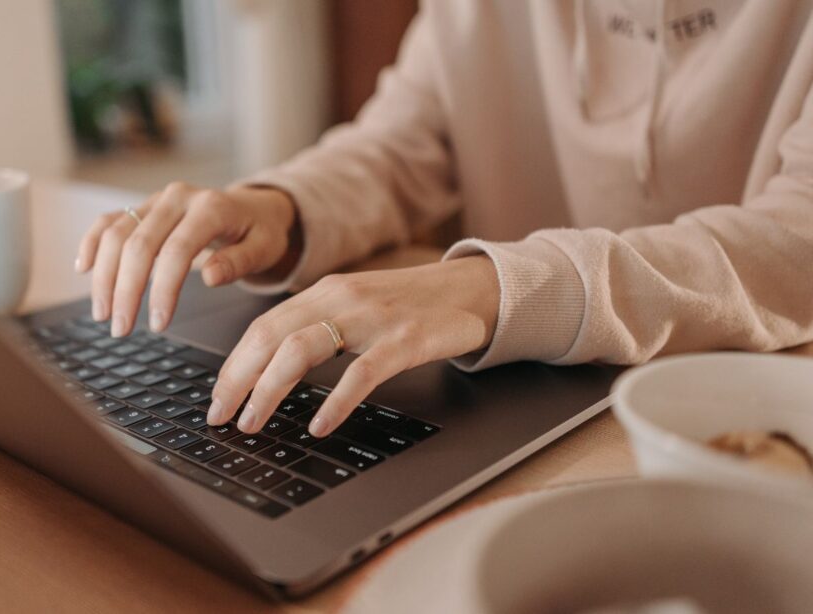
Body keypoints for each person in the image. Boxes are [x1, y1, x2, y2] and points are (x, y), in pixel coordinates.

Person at [75, 1, 813, 439]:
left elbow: (797, 241)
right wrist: (280, 207)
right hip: (517, 408)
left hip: (743, 424)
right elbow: (401, 144)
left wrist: (489, 290)